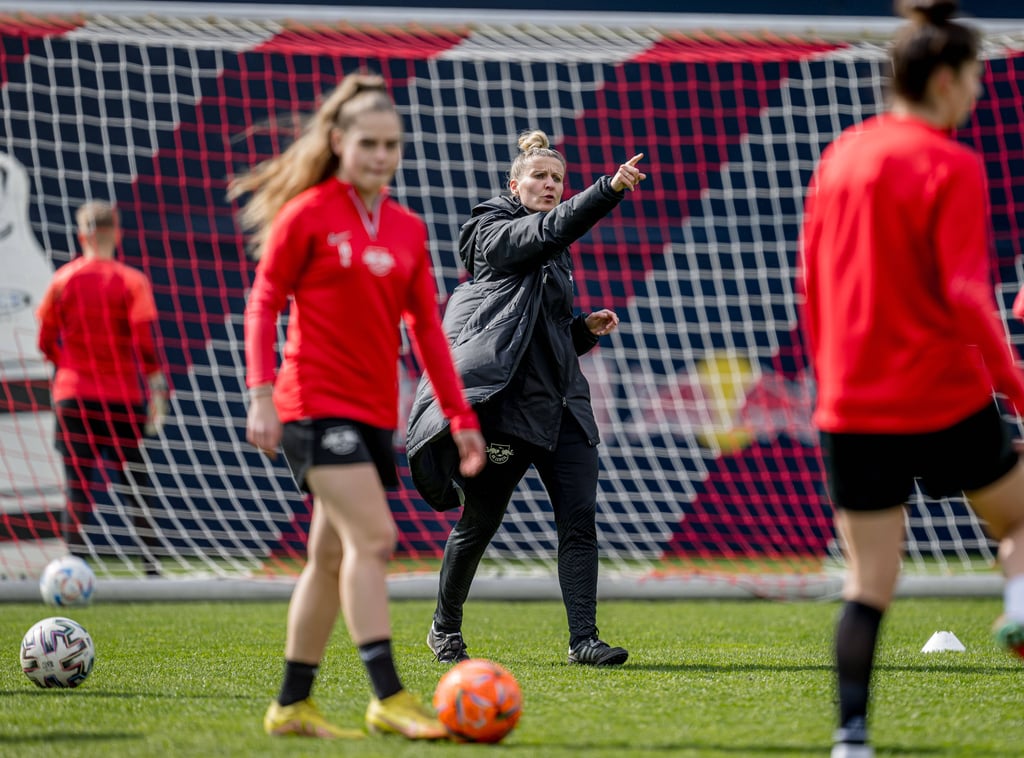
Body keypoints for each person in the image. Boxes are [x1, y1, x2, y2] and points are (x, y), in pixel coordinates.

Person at [799, 2, 1024, 756]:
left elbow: (812, 284)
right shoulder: (951, 162)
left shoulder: (842, 156)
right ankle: (1018, 604)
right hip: (942, 395)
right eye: (976, 80)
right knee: (1021, 520)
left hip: (853, 406)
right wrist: (1017, 387)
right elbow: (968, 296)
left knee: (867, 585)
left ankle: (852, 737)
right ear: (948, 78)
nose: (978, 95)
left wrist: (832, 384)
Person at [233, 71, 486, 742]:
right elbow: (263, 304)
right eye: (368, 142)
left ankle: (291, 705)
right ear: (338, 141)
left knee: (331, 558)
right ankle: (390, 696)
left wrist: (461, 418)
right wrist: (260, 396)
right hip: (312, 404)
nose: (380, 156)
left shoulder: (406, 228)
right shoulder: (308, 213)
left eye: (392, 145)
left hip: (375, 414)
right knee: (373, 539)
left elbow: (429, 330)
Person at [407, 130, 645, 667]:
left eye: (558, 179)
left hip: (563, 407)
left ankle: (583, 639)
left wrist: (581, 329)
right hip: (507, 413)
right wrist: (607, 189)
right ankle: (444, 629)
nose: (551, 185)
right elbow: (543, 232)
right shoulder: (490, 233)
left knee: (579, 522)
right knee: (479, 523)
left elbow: (543, 331)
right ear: (514, 184)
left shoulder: (555, 253)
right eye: (540, 176)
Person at [36, 200, 169, 577]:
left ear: (82, 235)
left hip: (73, 396)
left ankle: (70, 569)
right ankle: (152, 569)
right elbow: (144, 343)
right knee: (136, 484)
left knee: (78, 486)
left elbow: (44, 340)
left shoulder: (63, 280)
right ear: (118, 233)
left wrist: (68, 368)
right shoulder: (131, 280)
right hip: (122, 398)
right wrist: (157, 388)